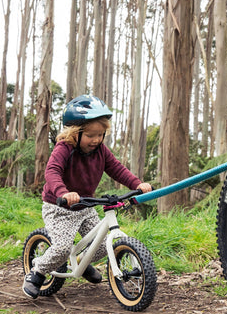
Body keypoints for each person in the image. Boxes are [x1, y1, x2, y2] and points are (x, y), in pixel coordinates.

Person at [22, 95, 152, 299]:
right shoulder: (64, 148)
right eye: (91, 135)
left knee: (100, 245)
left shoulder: (101, 150)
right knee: (63, 247)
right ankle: (37, 272)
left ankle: (82, 264)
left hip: (85, 206)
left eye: (101, 134)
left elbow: (116, 169)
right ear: (76, 132)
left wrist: (136, 184)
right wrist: (63, 192)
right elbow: (52, 172)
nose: (97, 140)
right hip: (60, 208)